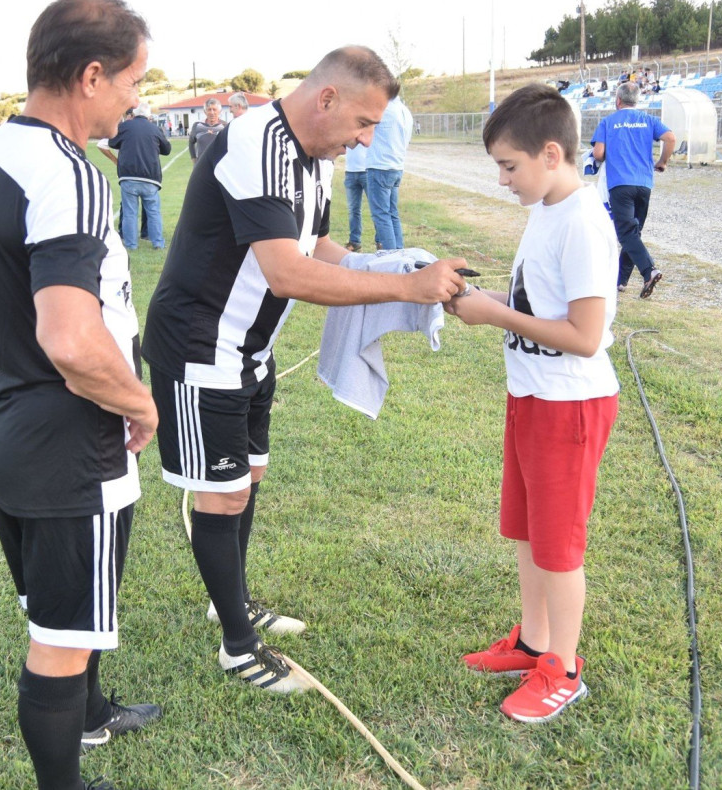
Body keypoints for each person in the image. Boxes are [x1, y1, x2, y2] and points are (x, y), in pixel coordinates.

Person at [142, 46, 466, 695]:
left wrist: (390, 267)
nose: (366, 138)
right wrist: (407, 292)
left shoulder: (312, 159)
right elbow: (287, 272)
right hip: (202, 346)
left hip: (248, 350)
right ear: (327, 100)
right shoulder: (255, 142)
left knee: (248, 476)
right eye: (364, 122)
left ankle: (229, 601)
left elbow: (316, 246)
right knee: (223, 492)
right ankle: (239, 646)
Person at [0, 2, 160, 788]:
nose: (136, 99)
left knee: (65, 605)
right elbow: (70, 339)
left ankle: (91, 716)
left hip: (3, 416)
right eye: (132, 80)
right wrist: (138, 401)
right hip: (67, 433)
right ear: (91, 76)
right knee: (60, 633)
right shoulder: (68, 172)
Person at [444, 83, 619, 724]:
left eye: (508, 166)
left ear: (552, 153)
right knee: (527, 533)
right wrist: (492, 303)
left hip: (569, 408)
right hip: (532, 398)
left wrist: (495, 316)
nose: (501, 180)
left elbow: (584, 336)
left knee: (559, 547)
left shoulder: (584, 223)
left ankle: (563, 670)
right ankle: (532, 641)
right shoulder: (548, 210)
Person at [591, 80, 675, 298]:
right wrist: (662, 161)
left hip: (620, 184)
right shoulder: (648, 120)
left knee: (626, 233)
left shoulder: (608, 122)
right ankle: (621, 281)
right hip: (644, 184)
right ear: (637, 101)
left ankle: (649, 270)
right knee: (633, 232)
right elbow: (670, 138)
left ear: (618, 101)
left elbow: (599, 153)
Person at [99, 106, 172, 250]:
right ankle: (157, 243)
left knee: (130, 212)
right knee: (153, 211)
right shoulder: (155, 129)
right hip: (150, 176)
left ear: (134, 114)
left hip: (128, 175)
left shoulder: (125, 126)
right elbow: (167, 150)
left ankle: (131, 244)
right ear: (149, 116)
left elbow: (112, 143)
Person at [365, 92, 411, 250]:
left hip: (380, 166)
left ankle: (391, 255)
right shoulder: (404, 110)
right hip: (396, 166)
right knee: (392, 213)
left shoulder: (383, 109)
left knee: (381, 215)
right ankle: (399, 252)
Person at [342, 143, 368, 252]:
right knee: (353, 210)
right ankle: (354, 241)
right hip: (350, 172)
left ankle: (380, 240)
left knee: (376, 210)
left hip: (367, 170)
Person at [187, 97, 225, 162]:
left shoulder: (225, 126)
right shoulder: (197, 125)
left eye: (214, 109)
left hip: (219, 165)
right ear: (205, 112)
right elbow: (191, 142)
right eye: (209, 109)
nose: (212, 112)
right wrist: (193, 157)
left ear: (219, 111)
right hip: (201, 164)